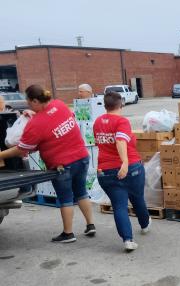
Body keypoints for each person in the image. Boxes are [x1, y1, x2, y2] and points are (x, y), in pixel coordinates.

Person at [0, 85, 96, 242]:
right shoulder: (59, 105)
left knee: (65, 198)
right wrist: (35, 115)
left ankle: (68, 233)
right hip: (82, 157)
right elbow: (58, 123)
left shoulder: (36, 124)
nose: (28, 105)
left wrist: (1, 155)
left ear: (36, 101)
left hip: (62, 164)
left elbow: (21, 149)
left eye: (29, 103)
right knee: (81, 192)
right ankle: (90, 224)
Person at [94, 91, 151, 252]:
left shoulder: (98, 122)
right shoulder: (121, 121)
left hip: (105, 171)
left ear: (105, 105)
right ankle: (145, 224)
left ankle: (127, 239)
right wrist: (124, 162)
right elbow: (120, 140)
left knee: (119, 205)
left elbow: (102, 142)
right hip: (129, 168)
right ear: (121, 104)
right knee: (137, 198)